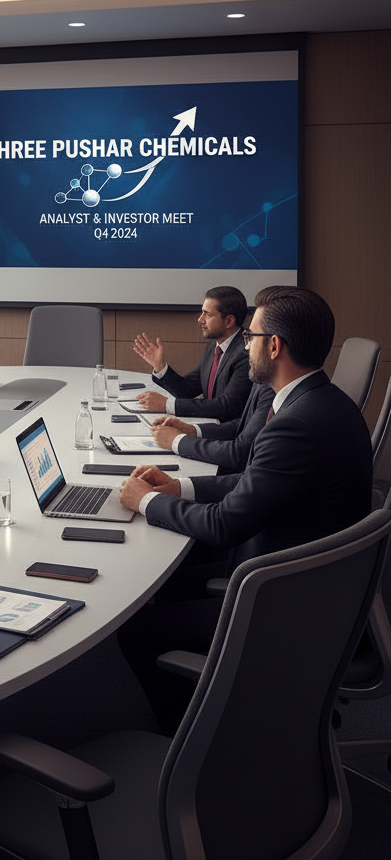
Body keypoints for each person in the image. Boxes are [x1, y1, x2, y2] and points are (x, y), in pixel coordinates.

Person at [117, 286, 373, 731]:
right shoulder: (321, 403)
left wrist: (148, 502)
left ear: (274, 346)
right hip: (306, 577)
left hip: (279, 598)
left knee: (136, 628)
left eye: (251, 337)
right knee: (168, 578)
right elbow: (257, 482)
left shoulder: (295, 424)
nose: (245, 346)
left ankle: (193, 744)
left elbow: (225, 524)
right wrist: (178, 486)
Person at [133, 285, 251, 421]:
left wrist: (166, 404)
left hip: (229, 435)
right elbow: (187, 390)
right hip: (209, 425)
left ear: (229, 321)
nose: (200, 319)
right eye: (202, 312)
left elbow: (226, 406)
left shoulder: (246, 353)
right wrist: (160, 366)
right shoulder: (213, 347)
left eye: (208, 314)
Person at [148, 382, 276, 477]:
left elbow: (239, 454)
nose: (246, 348)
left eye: (250, 343)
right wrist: (192, 430)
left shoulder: (272, 389)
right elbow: (245, 425)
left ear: (274, 347)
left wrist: (177, 440)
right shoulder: (265, 382)